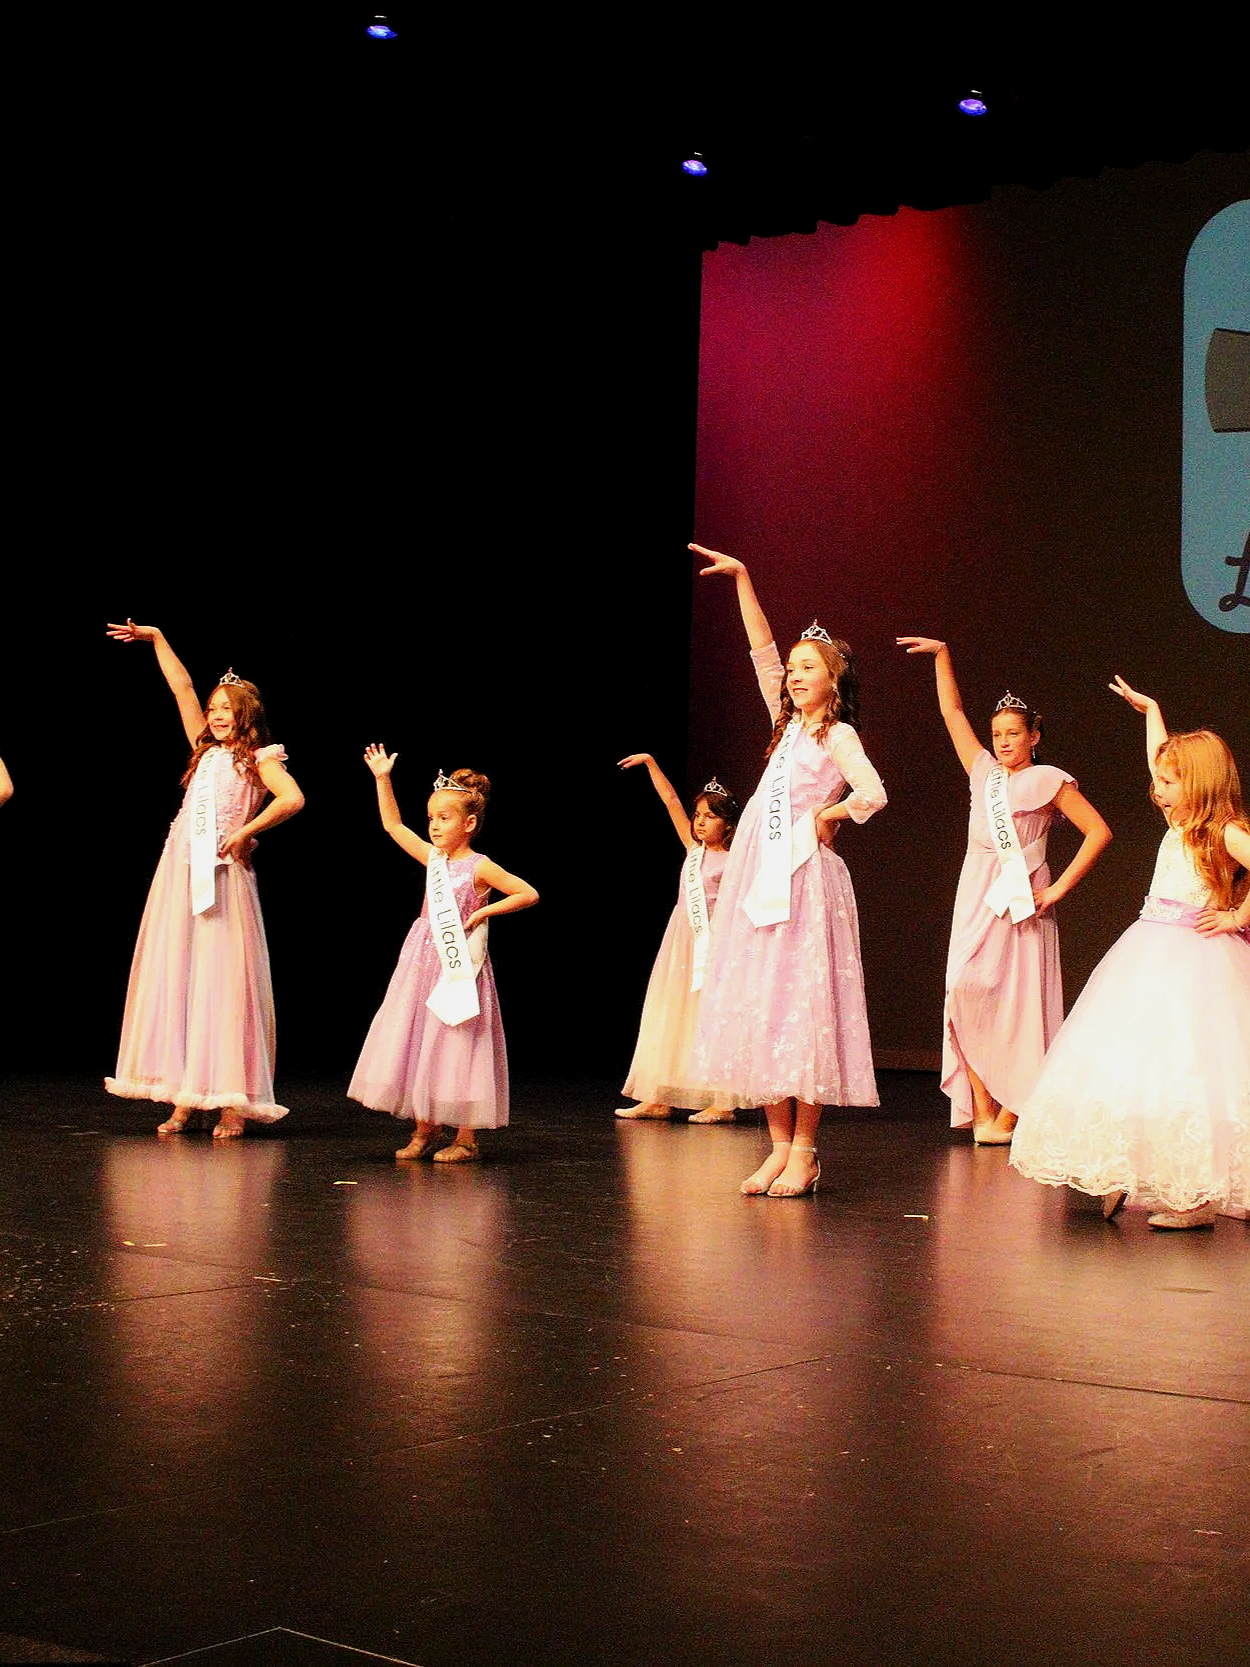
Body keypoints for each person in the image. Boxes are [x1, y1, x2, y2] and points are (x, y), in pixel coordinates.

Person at [1011, 678, 1250, 1228]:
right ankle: (1131, 1168)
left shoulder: (1224, 834)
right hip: (1148, 948)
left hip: (1197, 957)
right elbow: (1157, 757)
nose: (1158, 789)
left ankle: (1196, 1196)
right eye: (1160, 780)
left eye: (1170, 782)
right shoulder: (1180, 820)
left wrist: (1238, 915)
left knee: (1191, 1068)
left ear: (1201, 784)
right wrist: (1153, 713)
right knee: (1135, 1059)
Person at [690, 544, 887, 1198]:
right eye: (794, 669)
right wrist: (745, 579)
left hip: (804, 877)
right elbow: (762, 652)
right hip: (760, 875)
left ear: (834, 680)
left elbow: (874, 793)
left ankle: (805, 1149)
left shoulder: (837, 735)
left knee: (801, 1006)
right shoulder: (785, 725)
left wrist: (829, 813)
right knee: (764, 1004)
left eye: (810, 668)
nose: (796, 675)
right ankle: (778, 1146)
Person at [896, 637, 1111, 1143]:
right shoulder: (983, 775)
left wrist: (1056, 889)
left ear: (1034, 735)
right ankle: (986, 1109)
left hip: (1021, 900)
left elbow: (1098, 831)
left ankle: (1014, 1113)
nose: (1004, 742)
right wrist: (944, 655)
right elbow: (951, 711)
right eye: (997, 734)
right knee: (961, 992)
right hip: (976, 892)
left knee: (1018, 1001)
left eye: (1014, 733)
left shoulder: (1047, 779)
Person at [105, 621, 304, 1136]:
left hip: (221, 877)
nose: (216, 717)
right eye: (214, 710)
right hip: (179, 873)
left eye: (227, 711)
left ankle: (231, 1101)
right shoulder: (204, 749)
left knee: (222, 983)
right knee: (182, 976)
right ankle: (185, 1097)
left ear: (246, 717)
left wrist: (245, 832)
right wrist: (158, 640)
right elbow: (182, 687)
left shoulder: (258, 758)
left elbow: (293, 798)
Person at [348, 752, 538, 1163]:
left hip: (459, 967)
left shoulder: (480, 867)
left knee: (456, 1043)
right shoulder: (431, 858)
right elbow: (392, 824)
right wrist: (383, 778)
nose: (434, 825)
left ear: (469, 823)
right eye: (432, 817)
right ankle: (424, 1129)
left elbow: (528, 893)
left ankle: (465, 1136)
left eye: (444, 817)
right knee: (421, 1041)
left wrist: (485, 910)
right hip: (422, 961)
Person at [614, 757, 741, 1123]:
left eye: (709, 817)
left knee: (710, 1018)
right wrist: (652, 764)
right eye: (698, 815)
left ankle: (722, 1101)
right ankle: (659, 1095)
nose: (700, 822)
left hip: (713, 948)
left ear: (728, 824)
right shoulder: (692, 849)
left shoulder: (734, 860)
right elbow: (670, 801)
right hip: (680, 943)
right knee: (669, 1013)